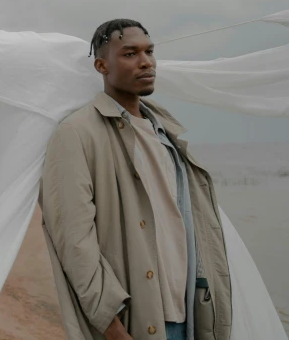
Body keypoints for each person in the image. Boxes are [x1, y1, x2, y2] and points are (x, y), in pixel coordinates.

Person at [40, 19, 232, 340]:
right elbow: (75, 242)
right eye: (130, 54)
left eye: (149, 52)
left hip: (192, 310)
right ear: (102, 65)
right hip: (137, 319)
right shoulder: (77, 133)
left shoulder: (166, 132)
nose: (145, 61)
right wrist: (111, 326)